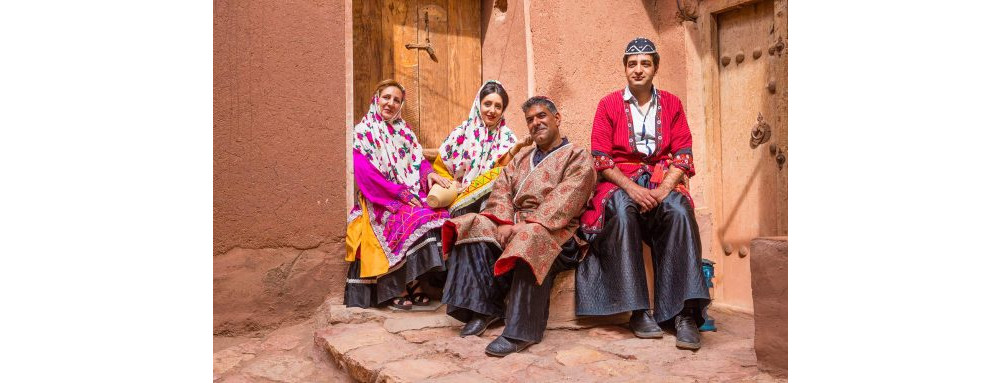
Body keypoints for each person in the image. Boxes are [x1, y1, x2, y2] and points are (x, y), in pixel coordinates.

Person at [576, 37, 710, 350]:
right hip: (622, 182)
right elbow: (601, 158)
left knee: (678, 210)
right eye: (632, 63)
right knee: (622, 210)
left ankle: (684, 315)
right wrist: (634, 188)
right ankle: (638, 311)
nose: (638, 70)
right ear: (625, 68)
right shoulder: (608, 104)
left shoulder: (673, 104)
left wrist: (664, 189)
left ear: (655, 68)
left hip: (662, 180)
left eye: (645, 63)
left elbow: (684, 153)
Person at [440, 96, 597, 357]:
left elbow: (565, 201)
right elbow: (501, 190)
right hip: (512, 223)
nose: (536, 123)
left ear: (556, 119)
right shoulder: (521, 158)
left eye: (542, 116)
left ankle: (519, 332)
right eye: (530, 120)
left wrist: (523, 224)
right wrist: (502, 221)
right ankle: (484, 309)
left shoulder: (577, 156)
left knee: (530, 235)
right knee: (471, 223)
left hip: (556, 232)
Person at [344, 79, 450, 311]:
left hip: (407, 193)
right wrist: (397, 192)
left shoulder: (405, 132)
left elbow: (417, 160)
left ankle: (413, 282)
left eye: (396, 100)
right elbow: (365, 175)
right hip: (380, 197)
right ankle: (397, 287)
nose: (390, 103)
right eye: (386, 98)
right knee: (409, 219)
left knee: (436, 215)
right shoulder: (363, 132)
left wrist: (428, 174)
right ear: (377, 98)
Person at [427, 80, 532, 217]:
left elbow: (502, 172)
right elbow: (441, 167)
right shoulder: (461, 133)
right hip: (460, 199)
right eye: (487, 104)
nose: (492, 111)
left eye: (498, 106)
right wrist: (453, 184)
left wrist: (517, 147)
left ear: (503, 110)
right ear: (478, 104)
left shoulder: (507, 137)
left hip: (492, 199)